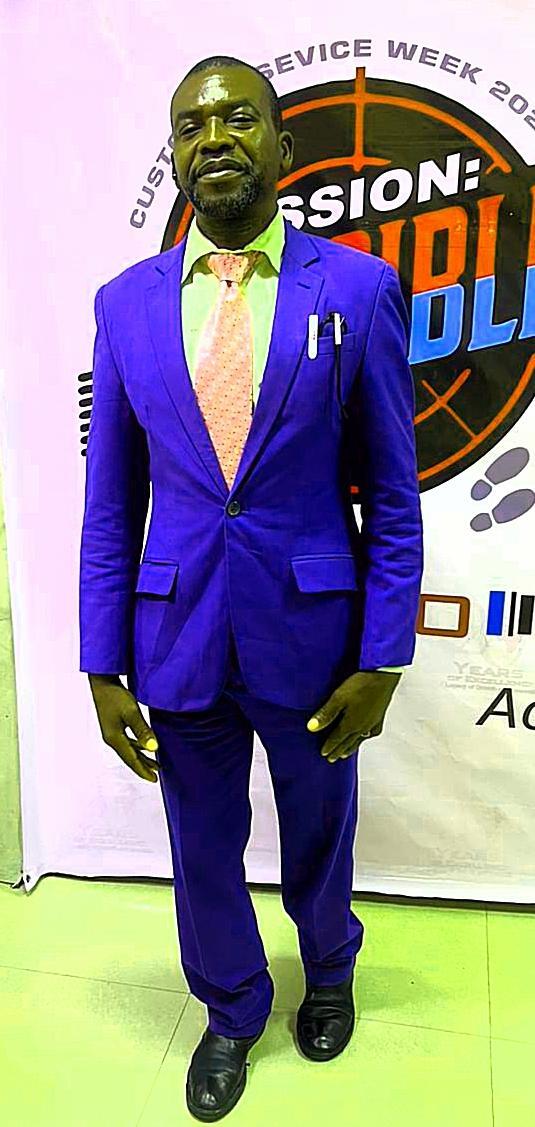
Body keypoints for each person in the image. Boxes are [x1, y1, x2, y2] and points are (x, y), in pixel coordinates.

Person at [79, 55, 423, 1122]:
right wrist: (101, 662)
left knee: (320, 826)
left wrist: (384, 654)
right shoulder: (125, 306)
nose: (213, 138)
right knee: (200, 843)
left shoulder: (356, 289)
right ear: (175, 154)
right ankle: (232, 1006)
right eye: (190, 126)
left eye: (237, 118)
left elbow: (393, 493)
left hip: (314, 637)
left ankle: (328, 968)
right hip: (177, 634)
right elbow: (110, 503)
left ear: (282, 145)